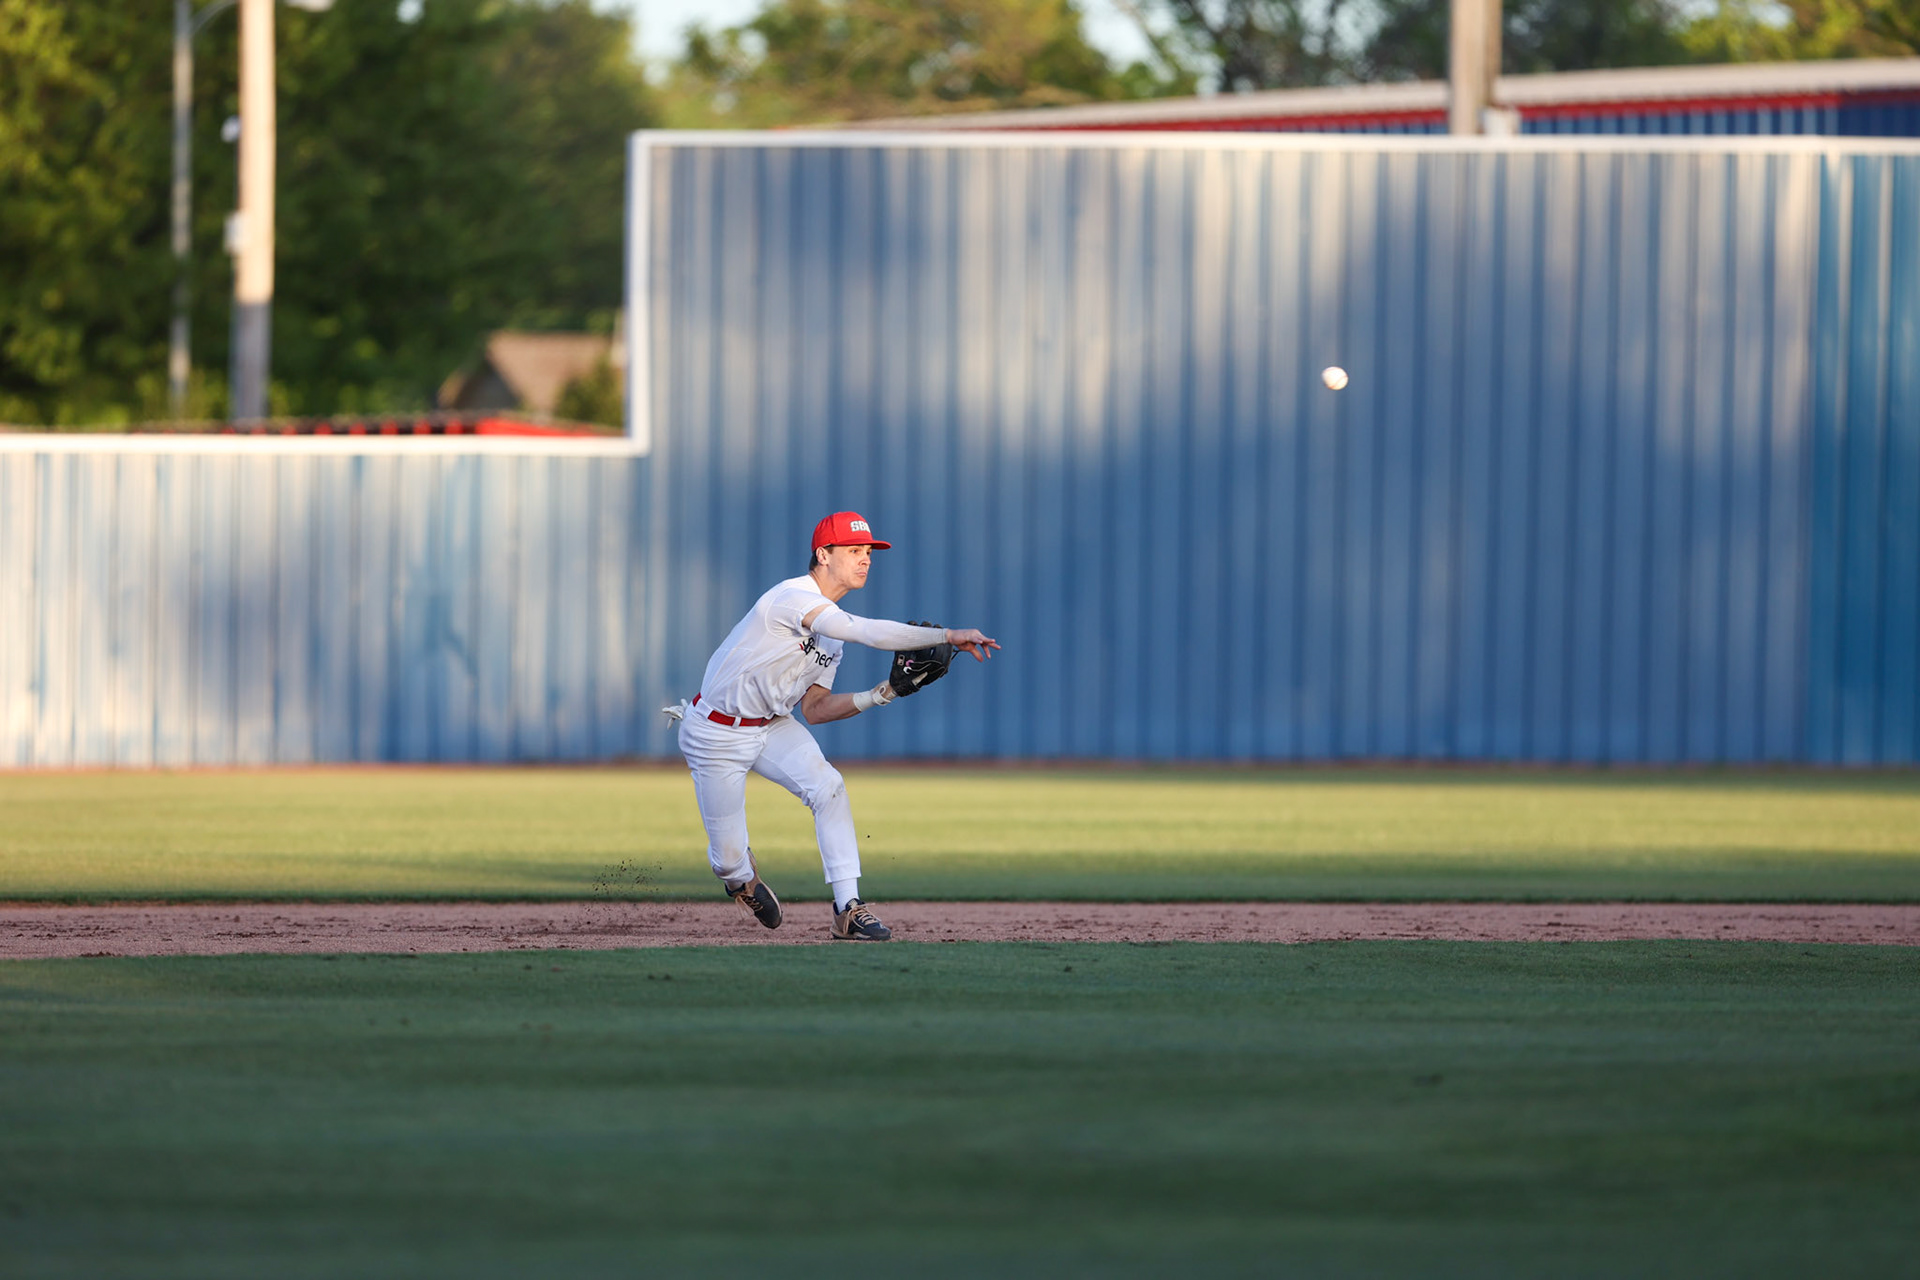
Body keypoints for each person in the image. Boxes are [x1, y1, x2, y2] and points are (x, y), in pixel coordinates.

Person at [664, 511, 999, 941]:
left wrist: (883, 693)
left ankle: (848, 909)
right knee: (728, 859)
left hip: (772, 725)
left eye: (869, 552)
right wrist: (947, 636)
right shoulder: (792, 597)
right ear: (823, 554)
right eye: (855, 550)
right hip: (716, 732)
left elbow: (816, 709)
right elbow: (865, 631)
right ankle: (740, 880)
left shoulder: (831, 634)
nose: (866, 560)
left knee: (829, 787)